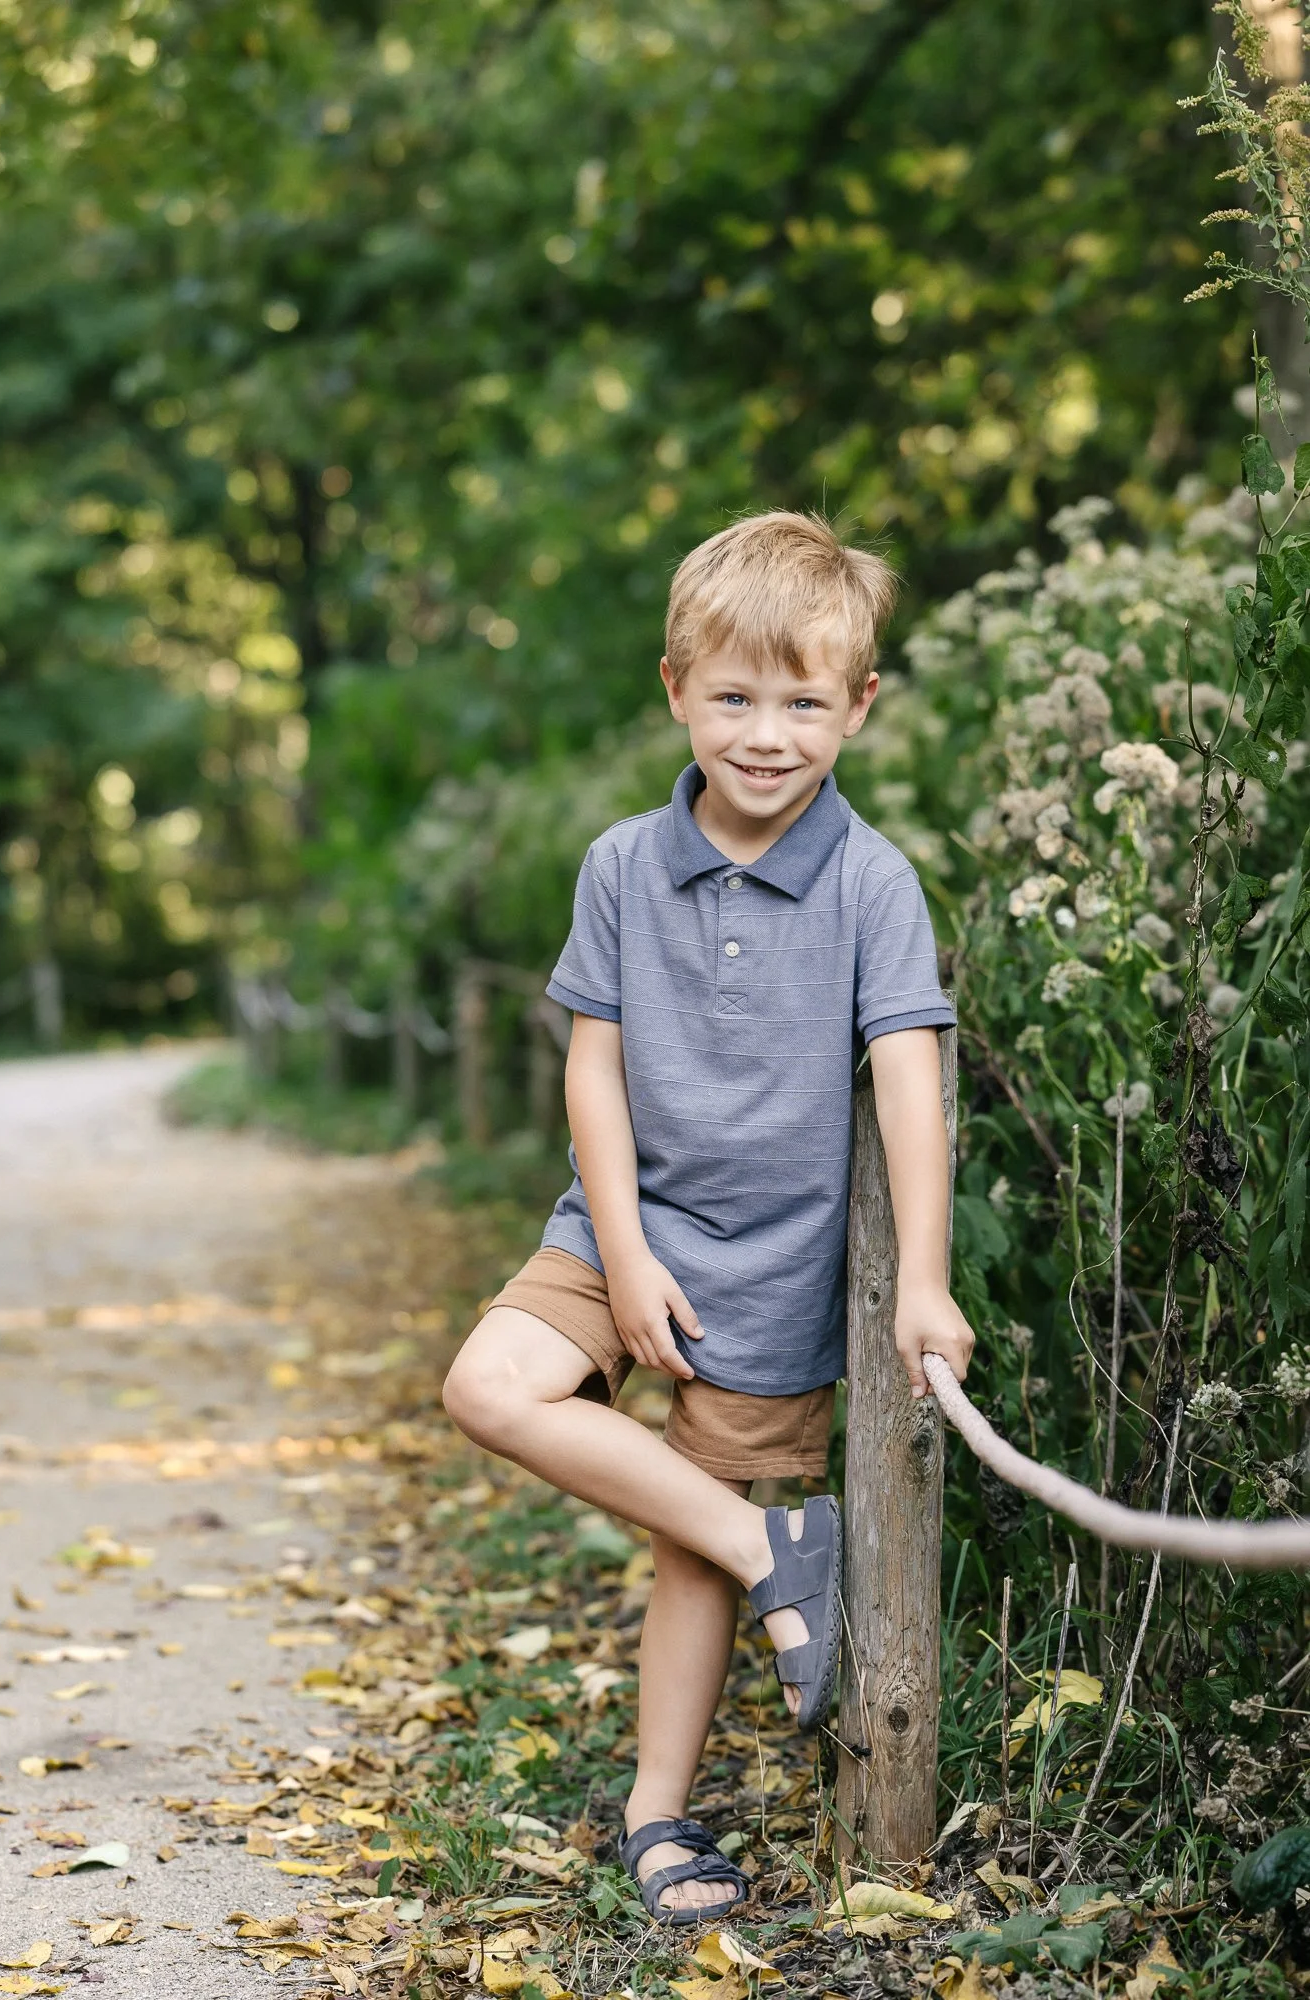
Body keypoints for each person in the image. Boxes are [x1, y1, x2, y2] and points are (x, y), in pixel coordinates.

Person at [443, 510, 975, 1924]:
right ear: (674, 686)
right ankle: (775, 1556)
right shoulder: (623, 863)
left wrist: (923, 1279)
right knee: (487, 1386)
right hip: (618, 1219)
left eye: (805, 700)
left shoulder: (871, 884)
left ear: (859, 705)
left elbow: (911, 1087)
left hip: (774, 1268)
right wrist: (619, 1248)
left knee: (691, 1542)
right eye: (732, 695)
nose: (766, 733)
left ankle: (658, 1818)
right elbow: (594, 1061)